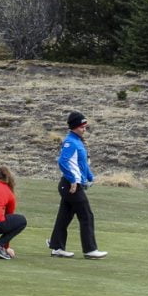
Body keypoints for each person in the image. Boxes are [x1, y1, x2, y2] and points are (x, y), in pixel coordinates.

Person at [47, 111, 107, 259]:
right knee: (87, 216)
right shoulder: (70, 142)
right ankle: (90, 250)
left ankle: (57, 247)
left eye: (85, 126)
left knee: (64, 217)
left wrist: (90, 177)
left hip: (73, 184)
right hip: (70, 185)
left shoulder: (78, 141)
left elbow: (82, 164)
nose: (84, 129)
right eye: (81, 127)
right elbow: (62, 162)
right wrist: (73, 179)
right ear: (74, 127)